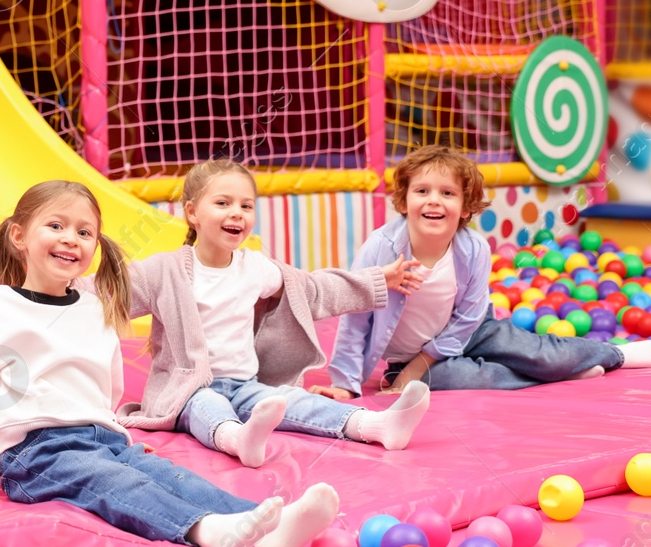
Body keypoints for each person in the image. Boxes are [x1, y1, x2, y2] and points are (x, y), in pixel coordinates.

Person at [0, 179, 338, 547]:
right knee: (116, 483)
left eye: (84, 231)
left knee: (171, 476)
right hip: (37, 454)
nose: (71, 238)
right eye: (55, 226)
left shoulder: (93, 307)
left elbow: (105, 383)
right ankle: (211, 531)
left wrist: (110, 429)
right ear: (19, 236)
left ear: (95, 245)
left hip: (102, 438)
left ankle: (268, 526)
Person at [116, 159, 431, 468]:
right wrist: (67, 283)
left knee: (292, 400)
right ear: (192, 212)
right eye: (223, 203)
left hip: (244, 385)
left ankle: (376, 425)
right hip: (187, 391)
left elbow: (312, 289)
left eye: (246, 206)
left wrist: (377, 279)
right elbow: (108, 294)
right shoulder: (164, 270)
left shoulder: (254, 267)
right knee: (206, 405)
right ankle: (238, 439)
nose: (236, 213)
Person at [320, 145, 651, 398]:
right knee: (464, 379)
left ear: (465, 208)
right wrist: (345, 384)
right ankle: (562, 375)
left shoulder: (472, 249)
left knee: (542, 354)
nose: (433, 200)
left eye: (447, 193)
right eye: (422, 191)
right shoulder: (381, 247)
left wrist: (419, 366)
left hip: (474, 331)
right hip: (407, 357)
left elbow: (468, 316)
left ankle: (619, 355)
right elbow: (356, 318)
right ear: (404, 200)